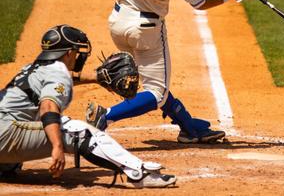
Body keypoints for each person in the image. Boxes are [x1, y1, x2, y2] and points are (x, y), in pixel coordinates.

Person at [86, 0, 257, 144]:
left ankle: (189, 127)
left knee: (156, 81)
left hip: (117, 22)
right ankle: (105, 117)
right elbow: (200, 3)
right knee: (156, 93)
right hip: (145, 30)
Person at [0, 24, 176, 188]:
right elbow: (48, 107)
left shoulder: (31, 69)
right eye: (77, 52)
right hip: (5, 135)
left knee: (29, 114)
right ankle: (139, 173)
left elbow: (63, 79)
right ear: (68, 53)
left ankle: (5, 164)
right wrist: (57, 146)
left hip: (4, 130)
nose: (78, 56)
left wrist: (96, 77)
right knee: (78, 131)